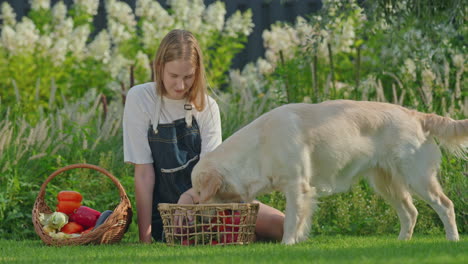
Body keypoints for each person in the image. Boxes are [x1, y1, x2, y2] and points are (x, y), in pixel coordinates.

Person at [123, 29, 284, 243]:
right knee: (233, 236)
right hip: (169, 215)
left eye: (188, 77)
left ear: (197, 72)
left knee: (284, 226)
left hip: (211, 200)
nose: (180, 86)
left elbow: (212, 175)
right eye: (173, 76)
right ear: (159, 67)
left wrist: (189, 196)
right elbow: (143, 173)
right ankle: (239, 235)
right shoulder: (140, 98)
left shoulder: (207, 107)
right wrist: (145, 237)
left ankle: (240, 234)